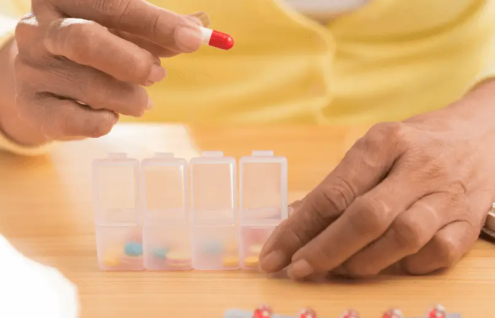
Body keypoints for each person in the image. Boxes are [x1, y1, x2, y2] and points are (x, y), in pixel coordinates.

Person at [0, 0, 494, 279]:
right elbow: (23, 30)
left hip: (444, 223)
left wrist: (479, 130)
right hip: (137, 247)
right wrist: (19, 83)